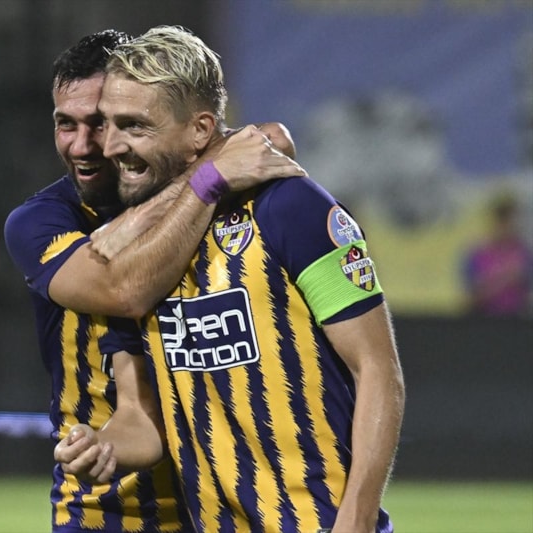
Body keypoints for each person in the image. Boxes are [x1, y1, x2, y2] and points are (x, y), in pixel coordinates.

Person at [55, 26, 405, 533]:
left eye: (133, 126)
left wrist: (355, 521)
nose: (109, 145)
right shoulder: (138, 256)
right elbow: (146, 419)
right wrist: (104, 445)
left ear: (200, 130)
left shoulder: (289, 207)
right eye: (107, 123)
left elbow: (377, 369)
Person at [4, 29, 306, 533]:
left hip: (229, 503)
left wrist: (193, 185)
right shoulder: (41, 222)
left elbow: (271, 138)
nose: (83, 145)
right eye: (65, 124)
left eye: (102, 123)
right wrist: (206, 181)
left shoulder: (205, 181)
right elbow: (124, 291)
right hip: (110, 509)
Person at [462, 193, 532, 316]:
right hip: (484, 319)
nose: (506, 225)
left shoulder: (525, 255)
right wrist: (506, 278)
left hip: (518, 319)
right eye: (501, 219)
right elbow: (468, 300)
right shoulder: (476, 255)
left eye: (510, 219)